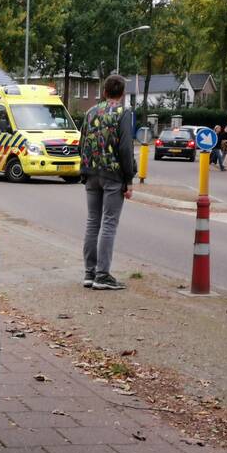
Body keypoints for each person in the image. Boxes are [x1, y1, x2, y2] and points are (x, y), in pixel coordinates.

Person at [79, 74, 136, 291]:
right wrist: (128, 179)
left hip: (91, 173)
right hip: (112, 175)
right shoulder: (123, 113)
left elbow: (82, 141)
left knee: (93, 221)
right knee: (109, 224)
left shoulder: (90, 112)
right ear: (122, 94)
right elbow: (125, 148)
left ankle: (89, 273)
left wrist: (84, 169)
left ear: (104, 92)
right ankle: (102, 275)